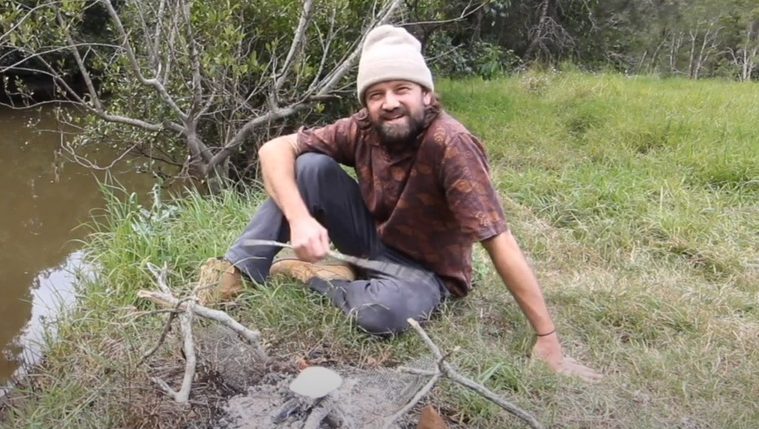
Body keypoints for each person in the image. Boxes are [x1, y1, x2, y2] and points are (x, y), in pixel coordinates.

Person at [198, 24, 602, 381]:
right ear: (366, 103)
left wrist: (546, 336)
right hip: (372, 240)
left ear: (425, 94)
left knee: (381, 314)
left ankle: (321, 278)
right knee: (309, 166)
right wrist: (300, 219)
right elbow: (273, 149)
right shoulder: (361, 129)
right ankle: (237, 272)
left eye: (401, 89)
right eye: (376, 94)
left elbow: (498, 240)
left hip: (426, 274)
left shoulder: (451, 144)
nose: (388, 102)